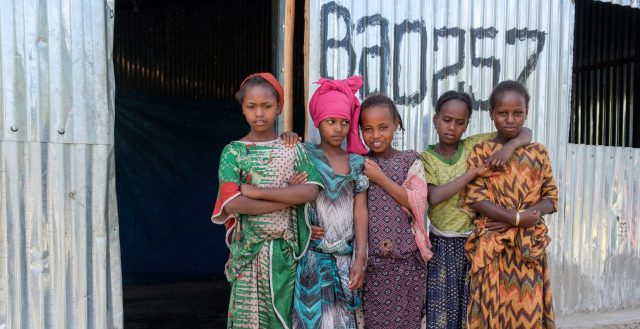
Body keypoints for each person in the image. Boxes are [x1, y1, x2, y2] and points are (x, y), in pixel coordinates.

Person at [211, 73, 322, 329]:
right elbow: (233, 205)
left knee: (279, 320)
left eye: (267, 106)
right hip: (246, 254)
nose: (259, 113)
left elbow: (310, 192)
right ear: (243, 108)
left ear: (279, 107)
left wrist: (256, 192)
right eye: (251, 107)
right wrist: (287, 196)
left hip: (283, 256)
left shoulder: (293, 148)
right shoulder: (233, 153)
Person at [420, 91, 531, 329]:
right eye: (447, 120)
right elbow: (434, 196)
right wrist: (472, 173)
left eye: (460, 123)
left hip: (475, 242)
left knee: (473, 310)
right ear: (435, 119)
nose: (452, 127)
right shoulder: (426, 158)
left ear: (467, 125)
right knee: (441, 311)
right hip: (441, 244)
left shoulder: (473, 145)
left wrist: (508, 148)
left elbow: (526, 133)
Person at [462, 80, 558, 329]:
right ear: (491, 113)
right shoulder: (482, 152)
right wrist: (515, 219)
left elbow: (551, 198)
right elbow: (475, 198)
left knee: (526, 309)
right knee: (488, 310)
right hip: (492, 247)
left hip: (527, 248)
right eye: (503, 113)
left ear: (526, 113)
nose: (510, 119)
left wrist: (529, 216)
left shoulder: (538, 152)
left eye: (518, 113)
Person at [292, 76, 369, 329]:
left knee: (342, 321)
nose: (338, 128)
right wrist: (303, 226)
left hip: (345, 261)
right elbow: (294, 198)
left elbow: (360, 212)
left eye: (344, 122)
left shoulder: (356, 163)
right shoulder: (305, 155)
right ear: (318, 122)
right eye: (331, 122)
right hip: (313, 261)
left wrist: (359, 259)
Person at [359, 94, 432, 328]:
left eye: (383, 127)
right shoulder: (359, 164)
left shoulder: (410, 160)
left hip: (406, 262)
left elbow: (416, 202)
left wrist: (379, 178)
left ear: (396, 124)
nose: (376, 135)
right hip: (373, 266)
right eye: (368, 129)